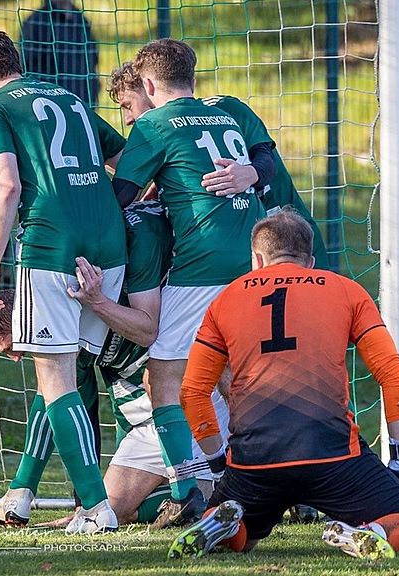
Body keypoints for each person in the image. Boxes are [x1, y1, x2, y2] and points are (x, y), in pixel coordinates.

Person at [168, 210, 399, 561]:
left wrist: (222, 471)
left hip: (254, 460)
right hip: (332, 455)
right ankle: (373, 531)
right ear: (310, 261)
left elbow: (192, 392)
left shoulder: (225, 299)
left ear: (257, 259)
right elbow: (392, 375)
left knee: (245, 539)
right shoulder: (346, 290)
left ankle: (222, 522)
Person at [0, 29, 128, 533]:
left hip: (50, 243)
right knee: (62, 376)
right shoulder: (68, 97)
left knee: (56, 377)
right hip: (109, 244)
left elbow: (6, 184)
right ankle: (21, 493)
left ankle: (97, 510)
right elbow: (126, 158)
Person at [0, 203, 232, 527]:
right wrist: (83, 498)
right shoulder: (67, 348)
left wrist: (98, 302)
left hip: (188, 399)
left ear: (26, 316)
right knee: (116, 506)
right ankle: (193, 495)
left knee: (170, 389)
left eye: (12, 346)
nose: (16, 357)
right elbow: (78, 415)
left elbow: (146, 329)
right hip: (148, 422)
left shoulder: (115, 278)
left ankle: (213, 490)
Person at [111, 39, 271, 528]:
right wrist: (250, 174)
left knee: (163, 381)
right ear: (193, 77)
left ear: (150, 85)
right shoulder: (226, 113)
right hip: (253, 260)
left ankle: (192, 488)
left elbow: (120, 196)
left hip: (201, 267)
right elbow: (266, 162)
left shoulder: (153, 124)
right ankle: (261, 479)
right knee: (238, 378)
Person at [106, 62, 329, 267]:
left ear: (149, 87)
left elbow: (267, 162)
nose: (127, 118)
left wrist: (251, 173)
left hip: (290, 234)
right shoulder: (168, 131)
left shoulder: (224, 108)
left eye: (128, 105)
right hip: (247, 247)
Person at [20, 0, 100, 108]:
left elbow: (93, 59)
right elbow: (28, 66)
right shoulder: (35, 22)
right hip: (51, 104)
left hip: (83, 102)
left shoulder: (82, 21)